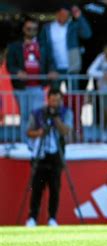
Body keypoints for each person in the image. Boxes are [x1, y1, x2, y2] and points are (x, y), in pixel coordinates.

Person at [25, 88, 73, 227]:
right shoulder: (39, 113)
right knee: (37, 187)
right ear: (48, 99)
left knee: (55, 187)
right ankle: (32, 217)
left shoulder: (66, 113)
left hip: (56, 155)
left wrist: (56, 119)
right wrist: (40, 132)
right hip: (40, 155)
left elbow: (65, 130)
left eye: (57, 100)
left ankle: (52, 217)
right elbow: (28, 131)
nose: (54, 103)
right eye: (52, 100)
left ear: (61, 100)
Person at [6, 17, 55, 141]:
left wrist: (52, 71)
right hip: (21, 87)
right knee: (25, 115)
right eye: (29, 29)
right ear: (24, 29)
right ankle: (25, 141)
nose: (31, 31)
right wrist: (17, 71)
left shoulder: (43, 45)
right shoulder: (15, 46)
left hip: (38, 86)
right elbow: (10, 65)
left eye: (34, 29)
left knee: (37, 114)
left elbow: (50, 61)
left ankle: (36, 141)